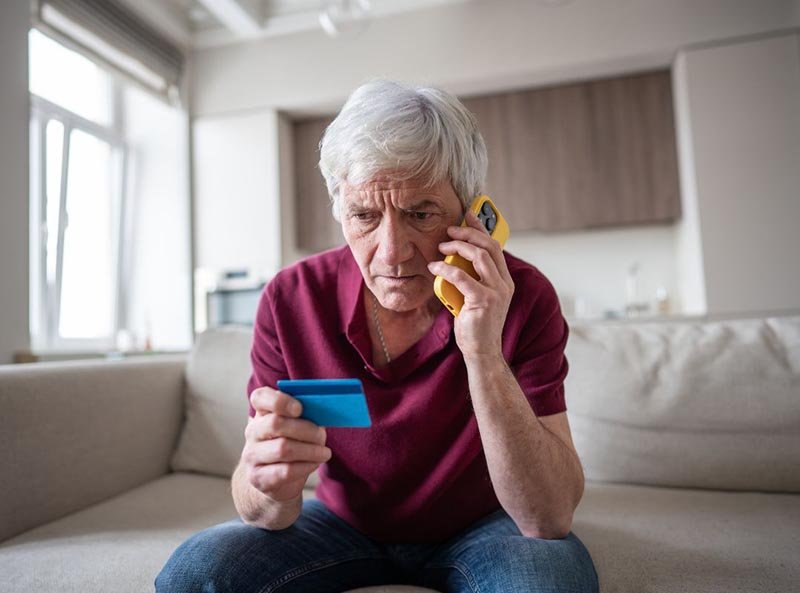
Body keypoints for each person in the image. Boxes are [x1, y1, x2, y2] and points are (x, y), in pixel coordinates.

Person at [156, 79, 599, 593]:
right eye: (364, 216)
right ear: (340, 211)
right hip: (342, 523)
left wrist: (481, 351)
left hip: (485, 524)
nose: (391, 252)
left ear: (471, 216)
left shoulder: (526, 296)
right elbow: (259, 506)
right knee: (196, 574)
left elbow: (547, 519)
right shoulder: (290, 298)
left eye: (421, 214)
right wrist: (267, 487)